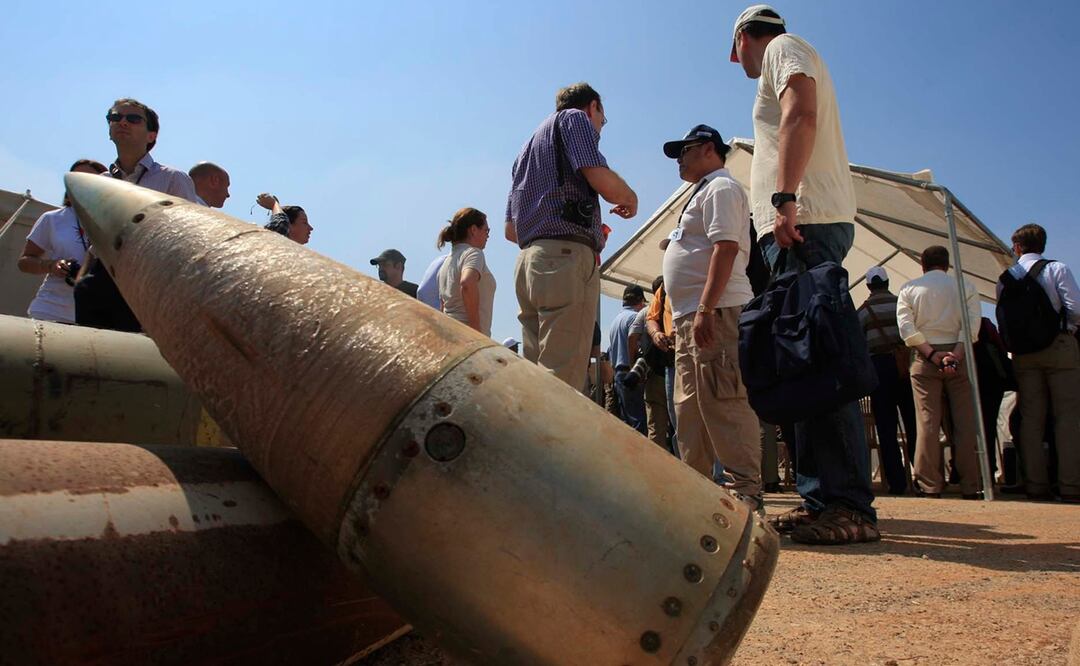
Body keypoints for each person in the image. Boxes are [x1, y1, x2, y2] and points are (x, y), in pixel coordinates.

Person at [732, 5, 877, 542]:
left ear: (741, 40)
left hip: (805, 219)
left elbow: (800, 110)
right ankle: (823, 499)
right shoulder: (782, 51)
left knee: (820, 361)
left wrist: (785, 198)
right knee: (803, 363)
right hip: (799, 222)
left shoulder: (780, 49)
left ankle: (850, 506)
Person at [505, 82, 638, 391]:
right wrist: (629, 197)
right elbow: (596, 172)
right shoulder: (573, 119)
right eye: (601, 121)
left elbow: (510, 231)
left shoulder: (525, 150)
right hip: (563, 259)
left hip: (528, 263)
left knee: (538, 379)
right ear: (593, 107)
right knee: (563, 382)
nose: (599, 131)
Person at [659, 123, 763, 512]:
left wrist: (705, 307)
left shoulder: (721, 187)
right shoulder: (701, 193)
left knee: (724, 401)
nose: (679, 161)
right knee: (689, 409)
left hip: (716, 311)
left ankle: (747, 492)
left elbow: (726, 248)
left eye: (683, 152)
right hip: (692, 317)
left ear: (706, 149)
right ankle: (697, 496)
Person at [74, 98, 200, 332]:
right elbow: (95, 243)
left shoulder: (173, 179)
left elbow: (189, 236)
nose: (122, 122)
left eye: (133, 119)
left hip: (149, 278)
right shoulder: (100, 183)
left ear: (151, 135)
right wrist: (82, 281)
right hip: (101, 280)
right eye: (115, 117)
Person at [997, 223, 1079, 502]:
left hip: (1024, 355)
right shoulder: (1058, 269)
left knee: (1031, 418)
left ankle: (1035, 484)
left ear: (1017, 247)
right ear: (1042, 244)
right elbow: (1075, 309)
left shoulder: (1006, 278)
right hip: (1059, 346)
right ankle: (1070, 486)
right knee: (1067, 417)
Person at [896, 246, 984, 499]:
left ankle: (929, 483)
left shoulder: (909, 289)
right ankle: (971, 483)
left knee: (927, 422)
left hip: (925, 357)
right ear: (947, 264)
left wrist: (933, 355)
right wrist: (955, 354)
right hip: (960, 354)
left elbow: (906, 328)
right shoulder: (965, 286)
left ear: (923, 263)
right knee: (965, 422)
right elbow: (971, 325)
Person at [17, 159, 108, 323]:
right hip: (50, 310)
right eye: (74, 178)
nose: (79, 183)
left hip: (95, 315)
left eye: (89, 179)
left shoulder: (112, 223)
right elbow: (24, 261)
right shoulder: (52, 219)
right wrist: (52, 266)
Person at [856, 266, 918, 495]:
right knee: (913, 423)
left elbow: (858, 345)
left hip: (878, 369)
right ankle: (920, 477)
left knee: (886, 427)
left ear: (869, 286)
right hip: (905, 367)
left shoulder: (863, 312)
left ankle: (897, 482)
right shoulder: (901, 305)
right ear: (887, 282)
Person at [629, 276, 676, 453]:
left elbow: (632, 337)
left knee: (656, 424)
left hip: (654, 372)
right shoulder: (652, 311)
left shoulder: (646, 313)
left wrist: (633, 365)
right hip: (670, 368)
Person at [437, 208, 496, 336]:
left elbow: (442, 306)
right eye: (486, 230)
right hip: (469, 337)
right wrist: (476, 331)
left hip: (450, 335)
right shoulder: (473, 253)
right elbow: (467, 284)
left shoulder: (445, 265)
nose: (488, 235)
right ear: (474, 230)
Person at [608, 285, 648, 434]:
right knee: (639, 422)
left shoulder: (615, 321)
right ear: (640, 301)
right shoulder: (634, 318)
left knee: (627, 421)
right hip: (632, 373)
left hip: (618, 373)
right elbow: (638, 345)